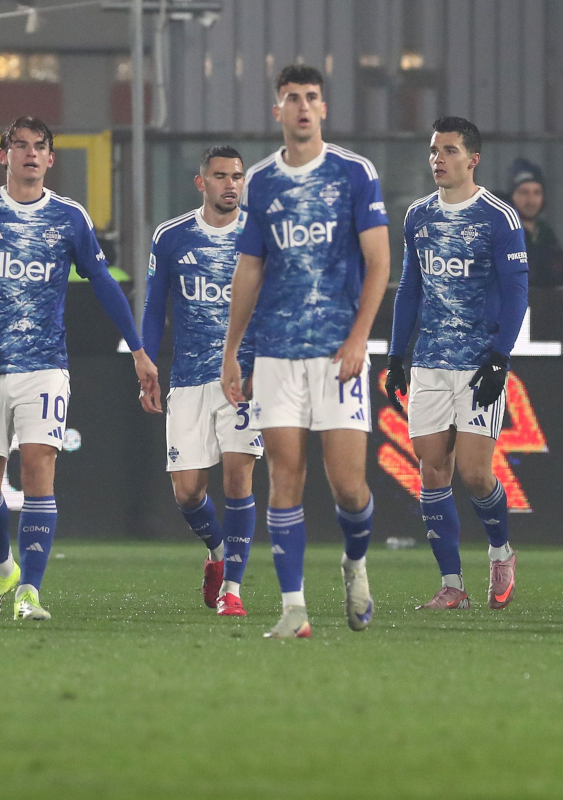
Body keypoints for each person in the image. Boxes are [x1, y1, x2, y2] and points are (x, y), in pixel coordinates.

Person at [0, 116, 159, 621]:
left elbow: (104, 283)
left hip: (45, 366)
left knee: (38, 469)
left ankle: (30, 590)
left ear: (51, 158)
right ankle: (2, 568)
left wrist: (137, 349)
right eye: (20, 146)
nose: (30, 154)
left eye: (40, 147)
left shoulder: (69, 217)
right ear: (3, 154)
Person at [223, 65, 391, 639]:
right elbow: (250, 267)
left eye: (311, 97)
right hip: (274, 353)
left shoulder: (353, 173)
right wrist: (232, 352)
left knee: (348, 485)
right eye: (291, 97)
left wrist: (358, 337)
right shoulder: (262, 182)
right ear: (278, 111)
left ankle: (355, 563)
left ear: (324, 108)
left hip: (336, 354)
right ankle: (293, 609)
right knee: (284, 478)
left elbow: (379, 262)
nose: (301, 106)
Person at [385, 117, 528, 611]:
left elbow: (516, 293)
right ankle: (453, 586)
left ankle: (501, 551)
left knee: (473, 471)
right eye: (433, 150)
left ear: (473, 159)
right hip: (428, 363)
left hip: (476, 363)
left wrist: (500, 359)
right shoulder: (418, 216)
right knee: (431, 469)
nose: (438, 159)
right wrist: (396, 356)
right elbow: (409, 289)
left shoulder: (498, 216)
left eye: (448, 150)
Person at [141, 146, 262, 617]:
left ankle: (233, 588)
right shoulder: (172, 237)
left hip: (243, 378)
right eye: (220, 176)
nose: (230, 184)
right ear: (201, 183)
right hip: (189, 378)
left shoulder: (259, 233)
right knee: (188, 492)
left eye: (237, 176)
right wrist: (148, 364)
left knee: (238, 476)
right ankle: (216, 550)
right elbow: (154, 307)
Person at [505, 158, 563, 288]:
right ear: (512, 195)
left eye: (536, 193)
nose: (531, 200)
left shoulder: (546, 233)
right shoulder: (504, 232)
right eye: (524, 192)